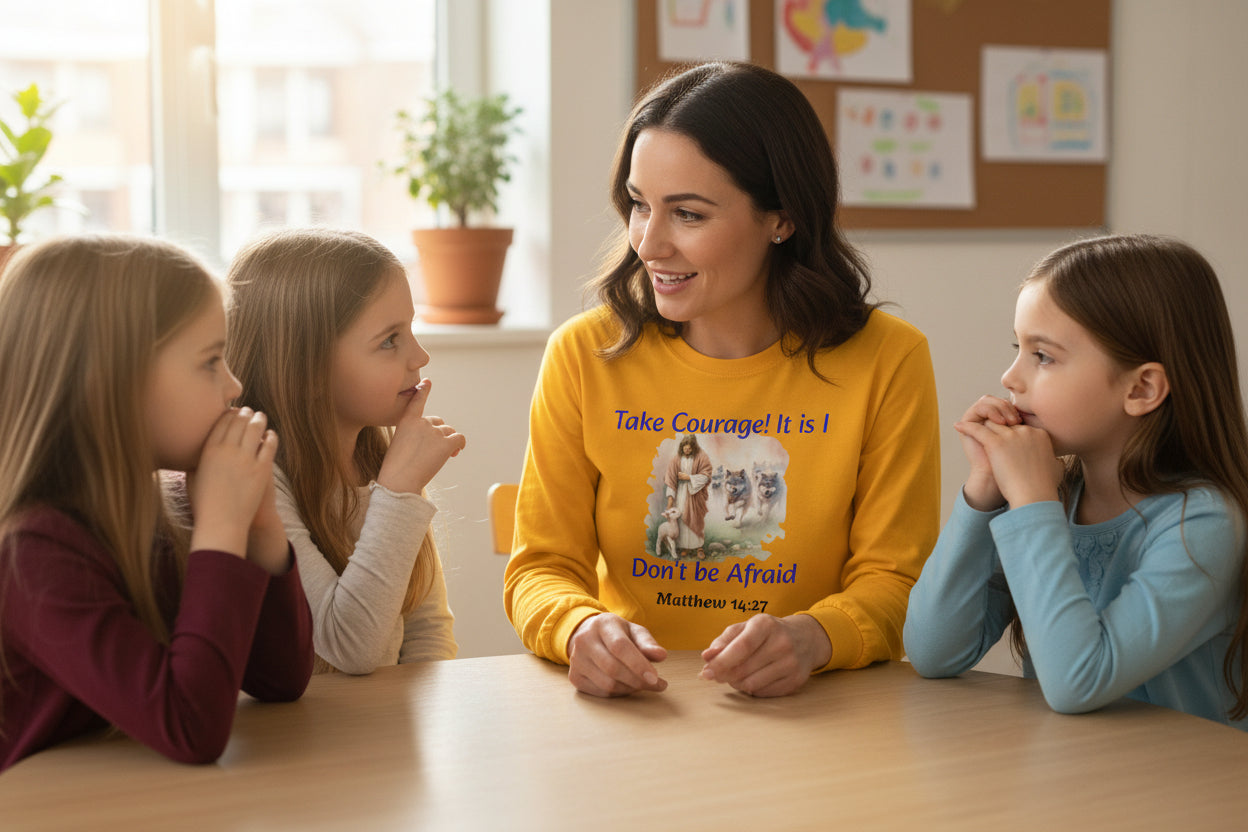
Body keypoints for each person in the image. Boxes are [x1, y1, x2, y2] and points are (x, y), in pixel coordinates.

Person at [504, 61, 941, 698]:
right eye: (638, 205)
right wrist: (579, 628)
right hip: (637, 709)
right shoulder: (584, 353)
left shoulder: (887, 359)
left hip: (819, 714)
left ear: (781, 217)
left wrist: (814, 637)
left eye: (688, 214)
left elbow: (896, 580)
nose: (648, 243)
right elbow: (541, 568)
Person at [904, 234, 1248, 729]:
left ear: (1141, 388)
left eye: (1042, 356)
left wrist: (1031, 503)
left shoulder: (1203, 522)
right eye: (1017, 348)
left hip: (1182, 796)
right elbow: (933, 651)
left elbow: (1078, 681)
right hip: (1074, 783)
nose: (1010, 377)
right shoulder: (1054, 498)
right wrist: (983, 493)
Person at [0, 234, 314, 772]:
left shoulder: (165, 509)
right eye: (211, 361)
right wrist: (219, 530)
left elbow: (279, 679)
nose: (234, 387)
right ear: (112, 385)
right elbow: (190, 726)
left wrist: (260, 528)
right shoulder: (31, 555)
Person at [226, 228, 465, 674]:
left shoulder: (385, 462)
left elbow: (427, 629)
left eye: (410, 329)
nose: (420, 356)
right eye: (389, 340)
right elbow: (350, 648)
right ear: (306, 365)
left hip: (383, 733)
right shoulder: (256, 480)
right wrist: (398, 493)